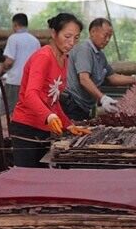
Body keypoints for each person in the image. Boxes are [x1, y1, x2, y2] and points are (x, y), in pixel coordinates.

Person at [10, 13, 92, 168]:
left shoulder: (64, 60)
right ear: (54, 33)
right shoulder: (44, 57)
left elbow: (52, 101)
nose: (71, 42)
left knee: (40, 180)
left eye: (76, 37)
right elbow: (30, 94)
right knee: (27, 180)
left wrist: (67, 125)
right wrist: (49, 116)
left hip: (43, 130)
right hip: (26, 128)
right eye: (67, 36)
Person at [61, 18, 136, 121]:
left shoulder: (100, 56)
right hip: (72, 105)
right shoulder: (84, 50)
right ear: (93, 32)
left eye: (110, 37)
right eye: (105, 35)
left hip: (83, 106)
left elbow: (113, 77)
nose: (107, 40)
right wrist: (103, 98)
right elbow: (84, 79)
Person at [0, 13, 40, 116]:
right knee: (24, 112)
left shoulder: (13, 38)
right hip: (29, 82)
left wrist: (0, 69)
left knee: (6, 111)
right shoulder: (35, 41)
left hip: (15, 81)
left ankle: (3, 131)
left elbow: (9, 61)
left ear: (15, 25)